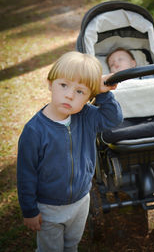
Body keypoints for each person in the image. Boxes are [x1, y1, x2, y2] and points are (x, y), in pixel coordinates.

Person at [17, 51, 123, 252]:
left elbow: (113, 119)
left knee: (71, 244)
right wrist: (30, 211)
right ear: (51, 83)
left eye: (80, 92)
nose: (69, 95)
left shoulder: (86, 116)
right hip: (49, 207)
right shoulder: (34, 131)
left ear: (89, 97)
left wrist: (103, 93)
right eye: (64, 85)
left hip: (81, 200)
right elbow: (26, 174)